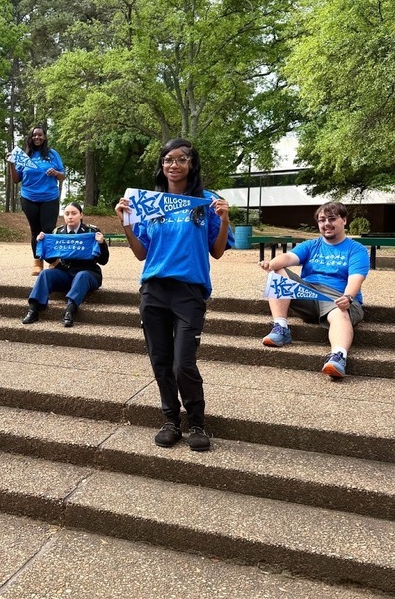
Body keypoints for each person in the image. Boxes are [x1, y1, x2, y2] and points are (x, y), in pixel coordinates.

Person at [114, 138, 232, 452]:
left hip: (189, 291)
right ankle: (170, 419)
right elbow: (140, 253)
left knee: (183, 364)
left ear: (192, 165)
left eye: (181, 159)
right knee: (160, 360)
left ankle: (196, 423)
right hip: (154, 290)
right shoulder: (150, 203)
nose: (173, 165)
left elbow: (217, 251)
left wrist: (224, 220)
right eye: (168, 159)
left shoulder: (207, 202)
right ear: (162, 166)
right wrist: (126, 221)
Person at [259, 201, 369, 379]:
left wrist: (348, 296)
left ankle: (338, 357)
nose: (326, 224)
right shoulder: (311, 245)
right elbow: (289, 257)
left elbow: (356, 278)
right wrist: (271, 264)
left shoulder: (356, 250)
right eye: (322, 220)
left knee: (341, 312)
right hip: (310, 294)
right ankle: (281, 327)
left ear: (344, 221)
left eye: (332, 219)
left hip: (338, 297)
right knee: (277, 272)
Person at [22, 202, 109, 327]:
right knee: (45, 274)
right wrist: (40, 243)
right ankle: (33, 309)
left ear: (81, 215)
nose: (70, 217)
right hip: (66, 273)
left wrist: (101, 244)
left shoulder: (92, 231)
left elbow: (103, 261)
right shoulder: (58, 232)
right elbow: (51, 260)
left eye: (74, 213)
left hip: (88, 273)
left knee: (82, 275)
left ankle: (69, 311)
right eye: (67, 214)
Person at [9, 124, 66, 277]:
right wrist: (11, 164)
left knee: (47, 230)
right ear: (30, 137)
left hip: (49, 198)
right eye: (34, 135)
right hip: (29, 197)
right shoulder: (24, 156)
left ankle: (52, 261)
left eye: (40, 135)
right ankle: (37, 262)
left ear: (45, 137)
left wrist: (56, 173)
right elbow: (16, 180)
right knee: (35, 231)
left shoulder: (53, 154)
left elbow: (63, 176)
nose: (37, 137)